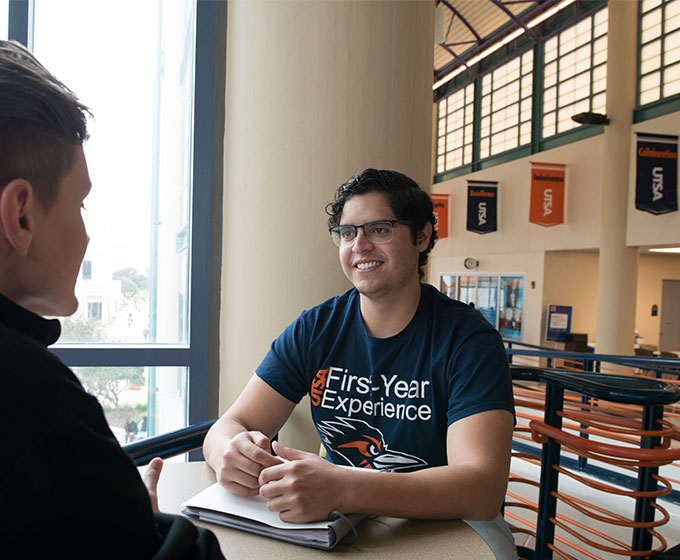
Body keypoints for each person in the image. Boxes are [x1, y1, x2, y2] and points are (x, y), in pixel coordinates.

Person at [203, 169, 517, 558]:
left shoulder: (467, 340)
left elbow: (481, 488)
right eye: (348, 233)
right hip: (338, 521)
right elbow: (231, 424)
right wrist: (228, 453)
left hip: (447, 525)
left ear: (421, 237)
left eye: (380, 229)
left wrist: (346, 485)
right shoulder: (316, 328)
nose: (360, 246)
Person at [0, 40, 223, 558]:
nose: (85, 235)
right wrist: (134, 518)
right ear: (22, 216)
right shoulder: (33, 396)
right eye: (80, 204)